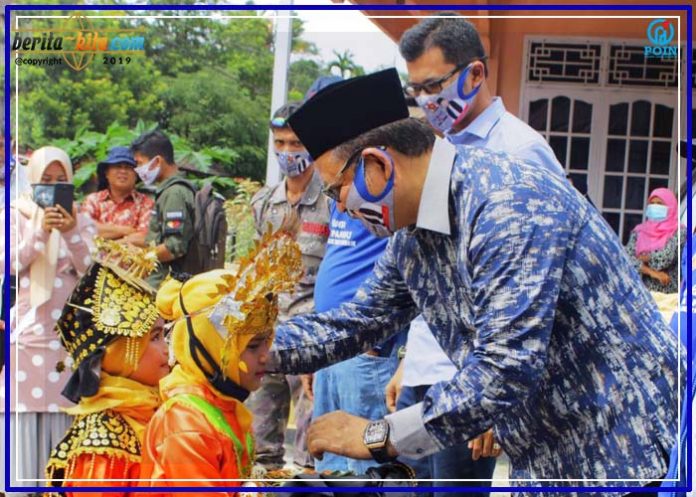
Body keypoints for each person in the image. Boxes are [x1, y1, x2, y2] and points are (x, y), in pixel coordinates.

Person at [270, 68, 681, 496]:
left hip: (622, 450)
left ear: (379, 164)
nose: (340, 210)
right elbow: (357, 322)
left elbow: (506, 367)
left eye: (337, 191)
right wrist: (251, 346)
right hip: (546, 455)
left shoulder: (506, 202)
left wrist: (378, 436)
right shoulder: (413, 239)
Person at [390, 15, 570, 493]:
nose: (426, 102)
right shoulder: (438, 152)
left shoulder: (521, 153)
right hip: (428, 372)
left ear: (475, 74)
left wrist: (501, 403)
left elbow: (537, 290)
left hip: (475, 384)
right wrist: (411, 360)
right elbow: (438, 271)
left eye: (434, 86)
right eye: (416, 90)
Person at [137, 226, 303, 492]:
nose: (265, 356)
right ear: (211, 346)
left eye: (267, 342)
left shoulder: (221, 403)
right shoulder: (186, 423)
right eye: (252, 346)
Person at [303, 75, 408, 475]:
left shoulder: (380, 189)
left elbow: (410, 276)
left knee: (363, 470)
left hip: (369, 353)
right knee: (329, 465)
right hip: (334, 343)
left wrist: (385, 347)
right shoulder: (341, 188)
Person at [0, 146, 97, 489]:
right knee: (22, 423)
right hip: (27, 336)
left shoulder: (82, 219)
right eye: (46, 179)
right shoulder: (15, 214)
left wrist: (71, 233)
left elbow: (93, 274)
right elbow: (9, 263)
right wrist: (40, 231)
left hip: (68, 340)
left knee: (64, 424)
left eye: (61, 180)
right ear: (32, 180)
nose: (54, 186)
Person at [45, 239, 168, 496]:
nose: (166, 348)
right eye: (155, 337)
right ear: (119, 353)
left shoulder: (152, 409)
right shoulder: (102, 439)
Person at [245, 101, 330, 470]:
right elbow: (254, 269)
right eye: (279, 143)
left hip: (311, 336)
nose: (287, 152)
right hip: (266, 336)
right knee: (261, 447)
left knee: (312, 450)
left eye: (296, 143)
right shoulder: (264, 203)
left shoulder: (333, 200)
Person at [130, 130, 195, 289]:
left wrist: (142, 257)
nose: (138, 169)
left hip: (163, 286)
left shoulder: (174, 194)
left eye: (140, 163)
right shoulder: (167, 191)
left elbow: (174, 247)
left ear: (157, 161)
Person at [81, 146, 154, 245]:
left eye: (128, 167)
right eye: (118, 166)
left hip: (129, 256)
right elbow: (84, 230)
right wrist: (125, 230)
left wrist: (109, 246)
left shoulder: (146, 203)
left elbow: (145, 238)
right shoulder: (93, 200)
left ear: (136, 175)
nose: (123, 171)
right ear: (107, 173)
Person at [625, 188, 685, 294]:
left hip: (667, 294)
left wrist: (643, 258)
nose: (655, 207)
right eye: (652, 203)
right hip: (640, 292)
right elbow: (627, 258)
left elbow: (664, 259)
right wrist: (652, 272)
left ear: (670, 207)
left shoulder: (680, 231)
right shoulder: (639, 231)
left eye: (659, 204)